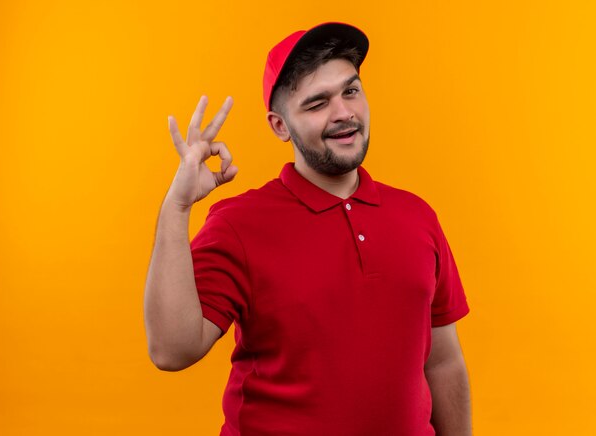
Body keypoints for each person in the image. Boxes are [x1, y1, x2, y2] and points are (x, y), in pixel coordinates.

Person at [144, 22, 472, 436]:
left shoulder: (417, 216)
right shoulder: (239, 224)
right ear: (280, 126)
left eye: (351, 91)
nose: (344, 113)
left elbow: (442, 361)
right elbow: (172, 350)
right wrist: (177, 206)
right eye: (317, 103)